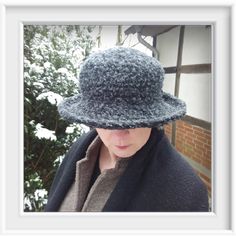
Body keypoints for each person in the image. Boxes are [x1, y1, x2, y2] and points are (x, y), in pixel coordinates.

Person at [45, 47, 209, 212]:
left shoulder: (185, 194)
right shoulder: (81, 148)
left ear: (154, 117)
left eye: (133, 121)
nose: (119, 136)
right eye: (105, 120)